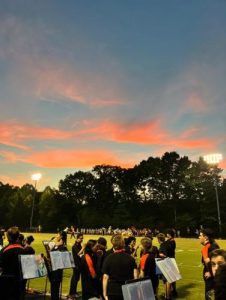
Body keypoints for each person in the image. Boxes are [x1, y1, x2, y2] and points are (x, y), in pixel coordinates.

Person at [102, 234, 138, 300]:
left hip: (113, 290)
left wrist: (104, 294)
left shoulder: (108, 258)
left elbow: (105, 277)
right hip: (127, 289)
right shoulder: (131, 259)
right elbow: (135, 277)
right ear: (123, 244)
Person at [0, 226, 26, 300]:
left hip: (6, 284)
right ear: (18, 237)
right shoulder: (24, 250)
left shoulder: (4, 251)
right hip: (19, 284)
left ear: (8, 237)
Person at [199, 228, 219, 300]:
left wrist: (210, 272)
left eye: (200, 235)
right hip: (215, 274)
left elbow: (208, 261)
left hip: (211, 277)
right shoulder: (214, 245)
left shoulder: (207, 248)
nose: (199, 237)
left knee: (209, 296)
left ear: (206, 237)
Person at [49, 231, 68, 300]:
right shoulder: (59, 246)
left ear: (61, 236)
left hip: (57, 271)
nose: (56, 236)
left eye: (58, 234)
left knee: (55, 289)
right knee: (54, 289)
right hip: (55, 270)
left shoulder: (62, 247)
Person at [67, 233, 85, 300]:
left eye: (82, 238)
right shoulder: (74, 246)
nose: (82, 239)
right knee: (74, 279)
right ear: (77, 238)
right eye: (80, 238)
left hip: (79, 265)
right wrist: (83, 248)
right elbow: (78, 253)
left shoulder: (79, 245)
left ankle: (74, 292)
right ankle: (72, 293)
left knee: (76, 279)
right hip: (76, 265)